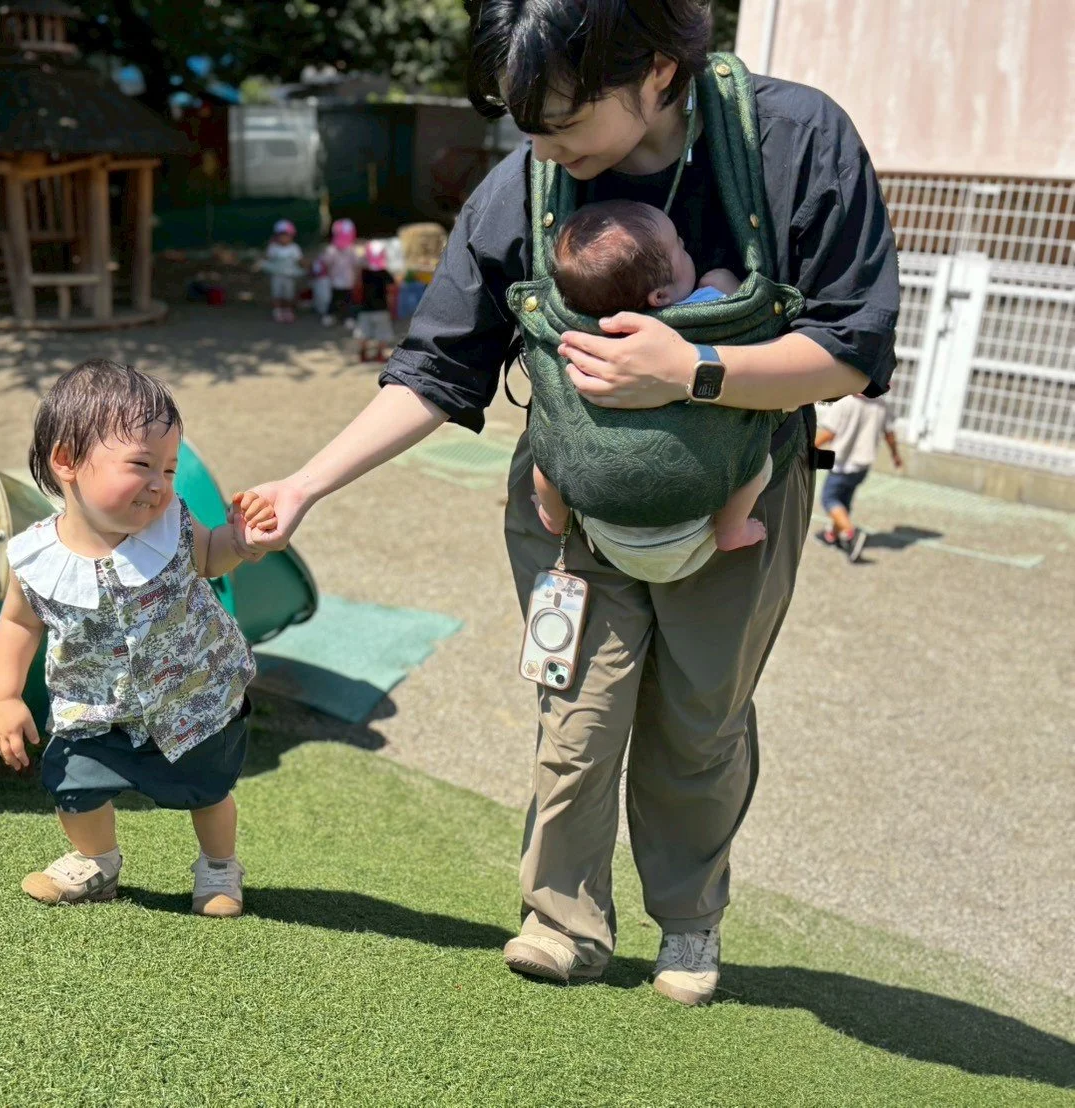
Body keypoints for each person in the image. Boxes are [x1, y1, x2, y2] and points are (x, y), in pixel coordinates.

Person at [242, 0, 898, 1006]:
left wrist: (694, 369)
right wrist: (305, 483)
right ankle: (564, 918)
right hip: (569, 514)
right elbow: (437, 368)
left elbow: (853, 351)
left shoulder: (794, 142)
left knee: (697, 722)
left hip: (735, 502)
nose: (539, 146)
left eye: (562, 118)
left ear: (659, 74)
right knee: (576, 714)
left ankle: (688, 921)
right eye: (526, 122)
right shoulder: (527, 182)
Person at [0, 359, 275, 918]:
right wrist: (5, 696)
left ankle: (218, 866)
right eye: (142, 465)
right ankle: (95, 861)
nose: (158, 486)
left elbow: (211, 557)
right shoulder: (35, 558)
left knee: (207, 789)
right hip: (93, 707)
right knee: (75, 784)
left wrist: (242, 542)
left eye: (168, 470)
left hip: (191, 697)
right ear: (66, 463)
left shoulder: (172, 528)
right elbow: (19, 622)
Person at [533, 199, 768, 570]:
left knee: (547, 459)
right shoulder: (704, 306)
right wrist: (716, 278)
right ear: (660, 298)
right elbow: (733, 295)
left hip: (594, 489)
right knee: (760, 465)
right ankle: (731, 529)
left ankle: (554, 516)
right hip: (697, 479)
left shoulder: (580, 333)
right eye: (680, 246)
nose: (687, 247)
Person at [814, 392, 903, 562]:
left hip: (842, 464)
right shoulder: (880, 404)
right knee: (844, 501)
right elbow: (889, 434)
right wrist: (895, 455)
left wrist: (805, 451)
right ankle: (832, 534)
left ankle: (850, 533)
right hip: (863, 465)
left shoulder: (844, 402)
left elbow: (828, 433)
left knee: (829, 499)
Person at [355, 241, 398, 363]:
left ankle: (363, 353)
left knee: (363, 332)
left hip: (364, 308)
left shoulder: (363, 272)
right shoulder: (385, 273)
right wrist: (392, 307)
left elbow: (357, 285)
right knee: (382, 333)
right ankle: (379, 354)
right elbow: (391, 289)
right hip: (381, 308)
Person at [319, 218, 360, 327]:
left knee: (346, 300)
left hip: (346, 280)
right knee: (336, 299)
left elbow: (355, 265)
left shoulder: (350, 249)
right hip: (337, 281)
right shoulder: (333, 250)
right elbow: (326, 263)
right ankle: (331, 315)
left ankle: (346, 317)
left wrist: (356, 278)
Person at [261, 219, 304, 323]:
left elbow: (300, 260)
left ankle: (288, 310)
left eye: (287, 235)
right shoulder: (273, 248)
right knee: (277, 294)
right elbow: (267, 258)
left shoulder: (294, 248)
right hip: (277, 275)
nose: (284, 238)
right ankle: (277, 311)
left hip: (289, 275)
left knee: (288, 294)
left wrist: (305, 266)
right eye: (281, 235)